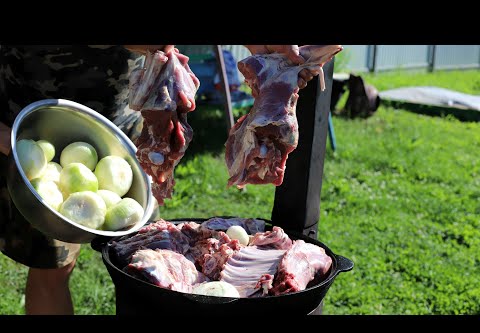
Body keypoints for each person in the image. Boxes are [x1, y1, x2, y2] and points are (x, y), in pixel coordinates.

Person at [0, 45, 318, 315]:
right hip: (40, 127)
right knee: (52, 266)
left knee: (148, 263)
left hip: (126, 110)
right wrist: (8, 138)